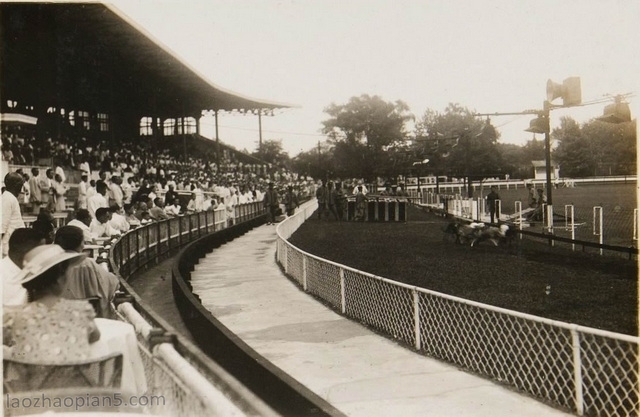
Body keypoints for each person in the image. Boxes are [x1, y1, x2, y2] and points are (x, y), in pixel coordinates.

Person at [3, 244, 100, 364]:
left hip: (30, 381)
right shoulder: (82, 311)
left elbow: (5, 343)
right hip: (75, 381)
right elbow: (95, 337)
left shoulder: (13, 316)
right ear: (61, 279)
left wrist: (21, 352)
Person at [54, 226, 120, 318]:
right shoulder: (88, 264)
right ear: (80, 244)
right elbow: (113, 283)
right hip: (84, 316)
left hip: (57, 315)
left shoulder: (49, 265)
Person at [1, 228, 45, 306]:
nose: (43, 256)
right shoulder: (3, 275)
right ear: (23, 251)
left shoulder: (37, 271)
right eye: (39, 252)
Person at [2, 172, 27, 256]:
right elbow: (2, 226)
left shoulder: (10, 197)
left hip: (15, 243)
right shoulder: (7, 198)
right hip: (8, 245)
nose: (21, 188)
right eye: (20, 184)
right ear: (15, 185)